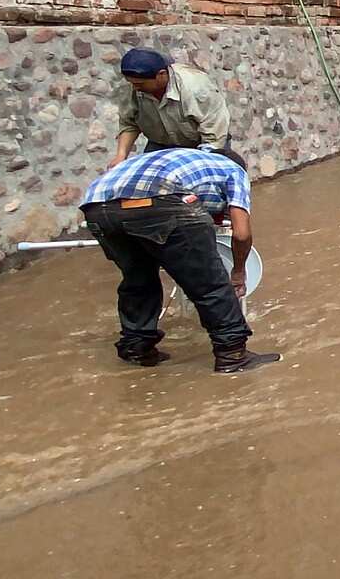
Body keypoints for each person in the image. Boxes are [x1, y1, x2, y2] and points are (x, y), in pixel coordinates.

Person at [81, 146, 279, 373]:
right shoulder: (234, 170)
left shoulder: (182, 158)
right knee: (210, 282)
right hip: (161, 200)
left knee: (139, 279)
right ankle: (233, 354)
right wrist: (238, 272)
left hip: (97, 206)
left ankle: (137, 348)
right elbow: (241, 233)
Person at [109, 48, 235, 168]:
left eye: (140, 84)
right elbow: (129, 124)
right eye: (132, 83)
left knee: (208, 185)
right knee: (154, 186)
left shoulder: (196, 88)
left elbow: (213, 136)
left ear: (161, 75)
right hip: (160, 145)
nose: (135, 88)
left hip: (203, 144)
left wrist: (200, 166)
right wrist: (121, 156)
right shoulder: (133, 87)